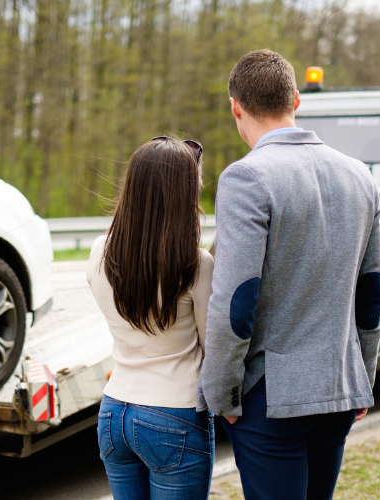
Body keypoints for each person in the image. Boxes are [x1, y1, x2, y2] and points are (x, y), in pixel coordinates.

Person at [198, 49, 380, 500]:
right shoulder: (360, 176)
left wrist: (221, 393)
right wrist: (364, 377)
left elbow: (236, 301)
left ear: (235, 106)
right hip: (339, 387)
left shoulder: (246, 178)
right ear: (296, 100)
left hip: (270, 399)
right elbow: (372, 293)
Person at [88, 137, 215, 500]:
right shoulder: (196, 264)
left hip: (114, 413)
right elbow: (213, 346)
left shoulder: (100, 251)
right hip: (173, 414)